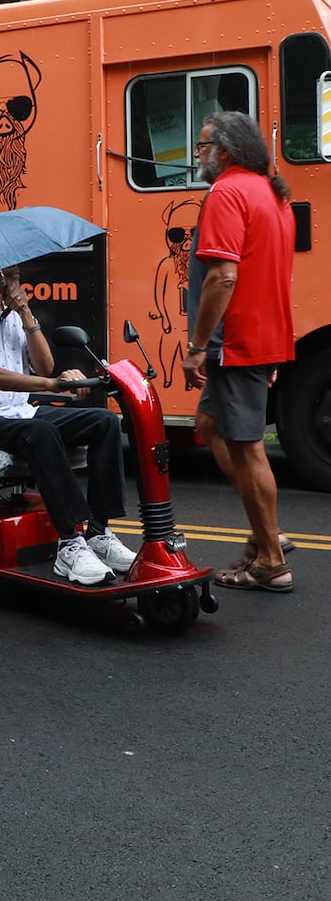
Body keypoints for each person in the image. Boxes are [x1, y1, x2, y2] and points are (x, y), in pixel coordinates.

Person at [0, 264, 137, 586]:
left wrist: (26, 312)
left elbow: (45, 365)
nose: (14, 281)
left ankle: (99, 531)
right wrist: (49, 384)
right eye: (6, 274)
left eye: (16, 274)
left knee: (104, 421)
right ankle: (70, 542)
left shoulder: (12, 315)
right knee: (40, 431)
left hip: (18, 412)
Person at [184, 111, 296, 592]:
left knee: (249, 448)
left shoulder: (227, 192)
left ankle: (270, 558)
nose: (199, 154)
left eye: (203, 146)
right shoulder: (273, 194)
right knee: (209, 426)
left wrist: (198, 347)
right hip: (260, 337)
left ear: (225, 152)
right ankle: (264, 532)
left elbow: (224, 276)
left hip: (235, 342)